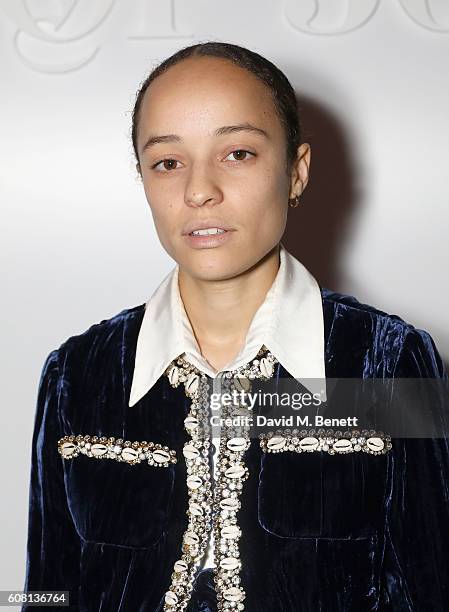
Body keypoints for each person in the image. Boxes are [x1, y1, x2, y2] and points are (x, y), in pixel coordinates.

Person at [22, 41, 449, 612]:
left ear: (296, 172)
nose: (199, 191)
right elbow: (47, 590)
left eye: (238, 153)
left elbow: (431, 585)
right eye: (168, 162)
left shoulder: (387, 360)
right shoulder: (79, 372)